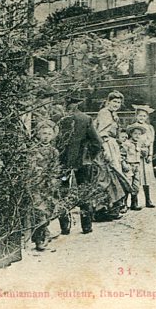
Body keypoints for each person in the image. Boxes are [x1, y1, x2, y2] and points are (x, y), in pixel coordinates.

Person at [55, 94, 103, 234]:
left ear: (66, 103)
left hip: (62, 162)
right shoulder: (85, 119)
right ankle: (86, 226)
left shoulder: (58, 119)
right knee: (84, 190)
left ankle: (65, 227)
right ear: (78, 104)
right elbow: (97, 143)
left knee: (63, 191)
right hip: (82, 161)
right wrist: (90, 156)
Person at [93, 91, 131, 219]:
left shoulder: (113, 114)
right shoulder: (104, 113)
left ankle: (112, 208)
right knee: (106, 176)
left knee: (113, 176)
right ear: (108, 101)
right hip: (106, 145)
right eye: (114, 101)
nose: (116, 104)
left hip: (112, 145)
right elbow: (101, 133)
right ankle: (102, 210)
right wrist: (105, 150)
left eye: (119, 102)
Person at [31, 120, 60, 251]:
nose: (46, 136)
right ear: (38, 134)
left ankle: (44, 232)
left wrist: (53, 180)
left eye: (49, 133)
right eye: (43, 133)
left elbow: (55, 168)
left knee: (48, 209)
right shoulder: (33, 150)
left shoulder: (54, 151)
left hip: (48, 185)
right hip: (36, 183)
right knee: (38, 210)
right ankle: (39, 239)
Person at [132, 105, 156, 208]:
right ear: (136, 116)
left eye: (144, 116)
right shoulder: (133, 127)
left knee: (146, 178)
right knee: (136, 178)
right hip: (136, 154)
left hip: (146, 155)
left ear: (147, 117)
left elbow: (151, 142)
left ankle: (148, 200)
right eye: (140, 116)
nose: (142, 118)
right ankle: (134, 201)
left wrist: (150, 154)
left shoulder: (150, 128)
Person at [123, 124, 148, 211]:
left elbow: (143, 155)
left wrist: (145, 151)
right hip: (129, 165)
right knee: (127, 184)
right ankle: (124, 205)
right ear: (131, 134)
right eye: (135, 133)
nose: (137, 136)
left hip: (137, 166)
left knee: (136, 185)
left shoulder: (140, 144)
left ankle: (134, 203)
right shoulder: (127, 144)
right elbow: (122, 155)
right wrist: (124, 165)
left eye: (139, 134)